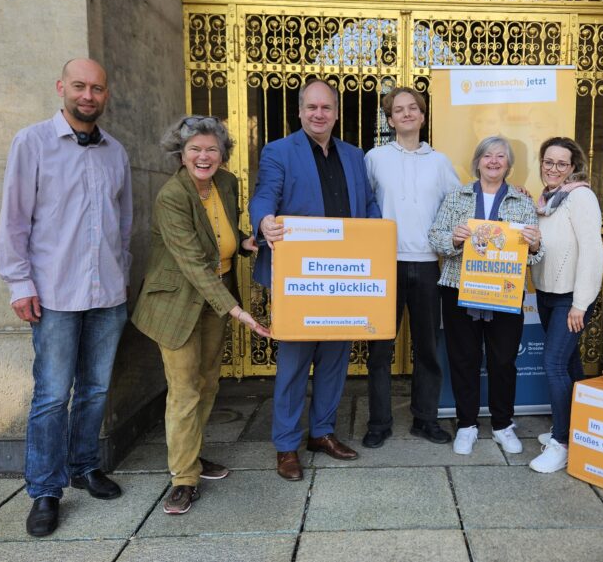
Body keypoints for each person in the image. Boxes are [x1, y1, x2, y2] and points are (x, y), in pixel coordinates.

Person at [0, 58, 130, 537]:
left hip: (108, 294)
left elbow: (124, 223)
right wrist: (19, 283)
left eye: (97, 87)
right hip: (53, 294)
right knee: (52, 396)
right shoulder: (31, 143)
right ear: (61, 88)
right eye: (80, 86)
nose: (88, 95)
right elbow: (14, 220)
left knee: (95, 390)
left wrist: (122, 276)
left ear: (105, 93)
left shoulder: (116, 151)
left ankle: (84, 465)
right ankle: (45, 490)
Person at [132, 116, 271, 515]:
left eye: (212, 149)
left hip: (216, 296)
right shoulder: (171, 197)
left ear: (223, 154)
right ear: (181, 153)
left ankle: (190, 457)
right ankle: (183, 479)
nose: (204, 156)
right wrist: (240, 312)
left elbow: (220, 240)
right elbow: (193, 264)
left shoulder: (226, 184)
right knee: (184, 390)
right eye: (195, 149)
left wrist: (246, 244)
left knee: (208, 382)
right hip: (177, 303)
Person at [249, 78, 381, 481]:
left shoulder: (355, 156)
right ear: (301, 111)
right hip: (300, 280)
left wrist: (376, 236)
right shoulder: (278, 151)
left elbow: (369, 203)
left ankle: (321, 433)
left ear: (337, 113)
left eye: (326, 108)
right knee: (293, 363)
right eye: (311, 108)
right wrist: (264, 222)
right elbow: (264, 195)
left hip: (345, 277)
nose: (318, 114)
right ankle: (286, 445)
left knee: (334, 361)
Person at [428, 136, 543, 456]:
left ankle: (503, 425)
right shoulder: (456, 196)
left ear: (509, 165)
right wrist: (453, 237)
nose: (494, 161)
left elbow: (533, 257)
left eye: (501, 157)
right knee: (463, 359)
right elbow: (435, 238)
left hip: (505, 292)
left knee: (504, 361)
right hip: (458, 288)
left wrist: (534, 245)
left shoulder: (522, 202)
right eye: (488, 156)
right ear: (477, 161)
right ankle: (466, 425)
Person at [361, 87, 460, 449]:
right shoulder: (374, 158)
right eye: (398, 110)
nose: (406, 114)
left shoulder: (440, 162)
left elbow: (460, 203)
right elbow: (363, 205)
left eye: (412, 108)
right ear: (389, 120)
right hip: (385, 266)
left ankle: (426, 419)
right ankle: (379, 422)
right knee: (380, 351)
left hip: (429, 265)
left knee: (428, 348)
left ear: (422, 116)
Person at [528, 137, 603, 473]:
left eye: (561, 163)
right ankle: (579, 433)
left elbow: (592, 250)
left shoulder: (581, 197)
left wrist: (581, 303)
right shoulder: (546, 200)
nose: (553, 168)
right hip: (546, 295)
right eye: (548, 161)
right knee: (570, 365)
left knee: (554, 364)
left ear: (573, 167)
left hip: (571, 299)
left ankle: (561, 443)